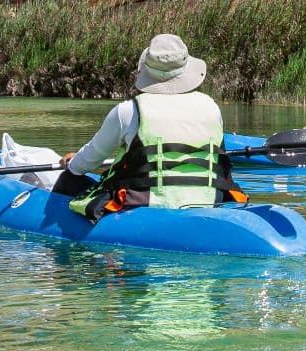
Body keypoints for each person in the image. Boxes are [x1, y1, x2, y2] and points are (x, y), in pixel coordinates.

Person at [58, 33, 244, 217]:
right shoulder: (212, 107)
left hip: (144, 205)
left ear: (146, 68)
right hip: (210, 200)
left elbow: (84, 164)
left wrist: (73, 163)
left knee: (69, 178)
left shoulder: (128, 111)